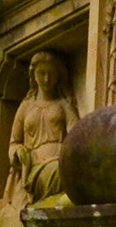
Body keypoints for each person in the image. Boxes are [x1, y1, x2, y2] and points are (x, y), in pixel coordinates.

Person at [7, 49, 79, 206]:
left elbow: (77, 137)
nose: (46, 79)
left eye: (51, 74)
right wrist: (18, 152)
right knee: (61, 173)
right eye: (41, 73)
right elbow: (14, 143)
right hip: (35, 167)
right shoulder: (25, 107)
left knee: (70, 171)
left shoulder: (64, 105)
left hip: (60, 159)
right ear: (33, 75)